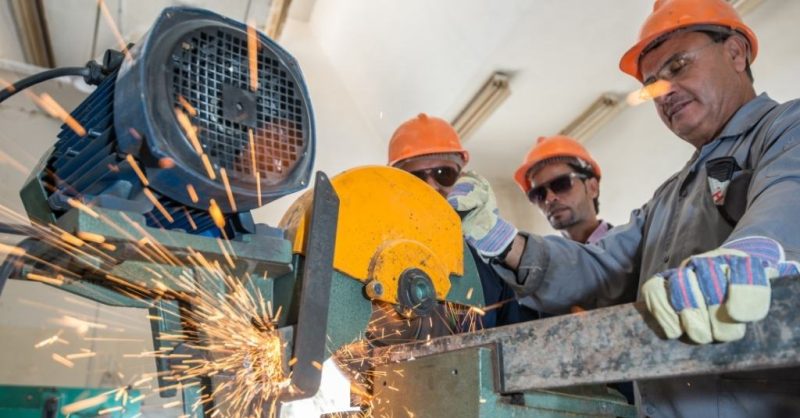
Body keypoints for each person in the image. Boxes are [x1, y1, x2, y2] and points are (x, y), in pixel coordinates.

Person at [450, 1, 800, 416]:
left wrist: (755, 254)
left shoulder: (785, 129)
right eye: (652, 85)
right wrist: (503, 241)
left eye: (678, 67)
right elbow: (602, 266)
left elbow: (788, 192)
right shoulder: (669, 196)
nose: (664, 92)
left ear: (736, 52)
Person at [388, 113, 529, 328]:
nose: (432, 186)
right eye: (416, 178)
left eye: (443, 173)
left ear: (461, 176)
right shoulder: (382, 256)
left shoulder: (488, 260)